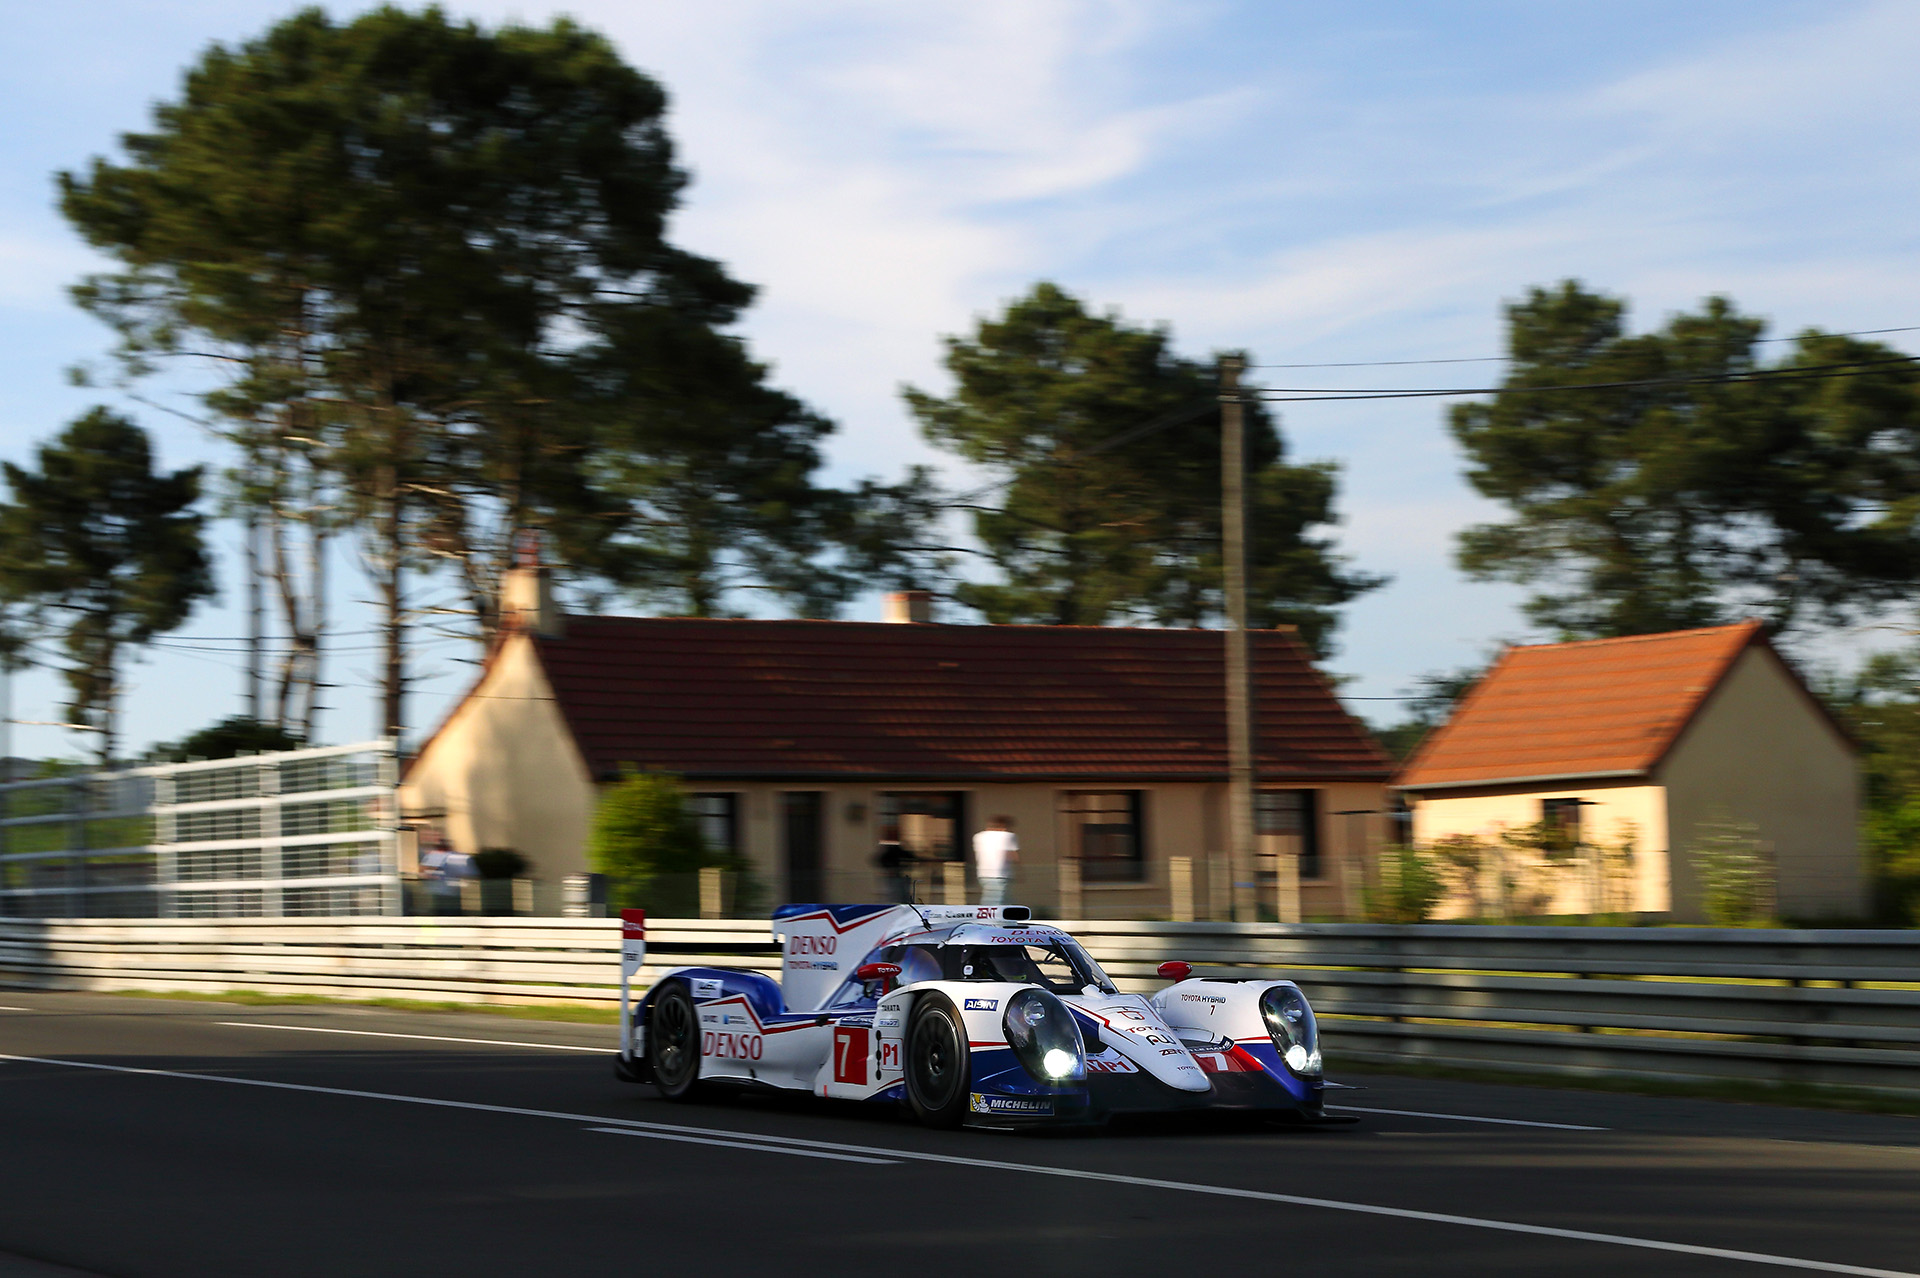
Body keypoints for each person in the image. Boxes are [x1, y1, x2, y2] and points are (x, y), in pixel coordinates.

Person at [972, 816, 1018, 907]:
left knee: (1000, 899)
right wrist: (1019, 871)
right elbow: (1012, 855)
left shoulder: (979, 836)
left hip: (983, 873)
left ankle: (1004, 918)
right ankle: (988, 920)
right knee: (995, 902)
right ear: (1003, 826)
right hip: (1000, 874)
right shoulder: (1007, 836)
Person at [874, 836, 915, 903]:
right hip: (895, 876)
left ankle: (903, 904)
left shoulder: (895, 852)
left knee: (900, 892)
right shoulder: (892, 852)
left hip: (900, 876)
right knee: (896, 892)